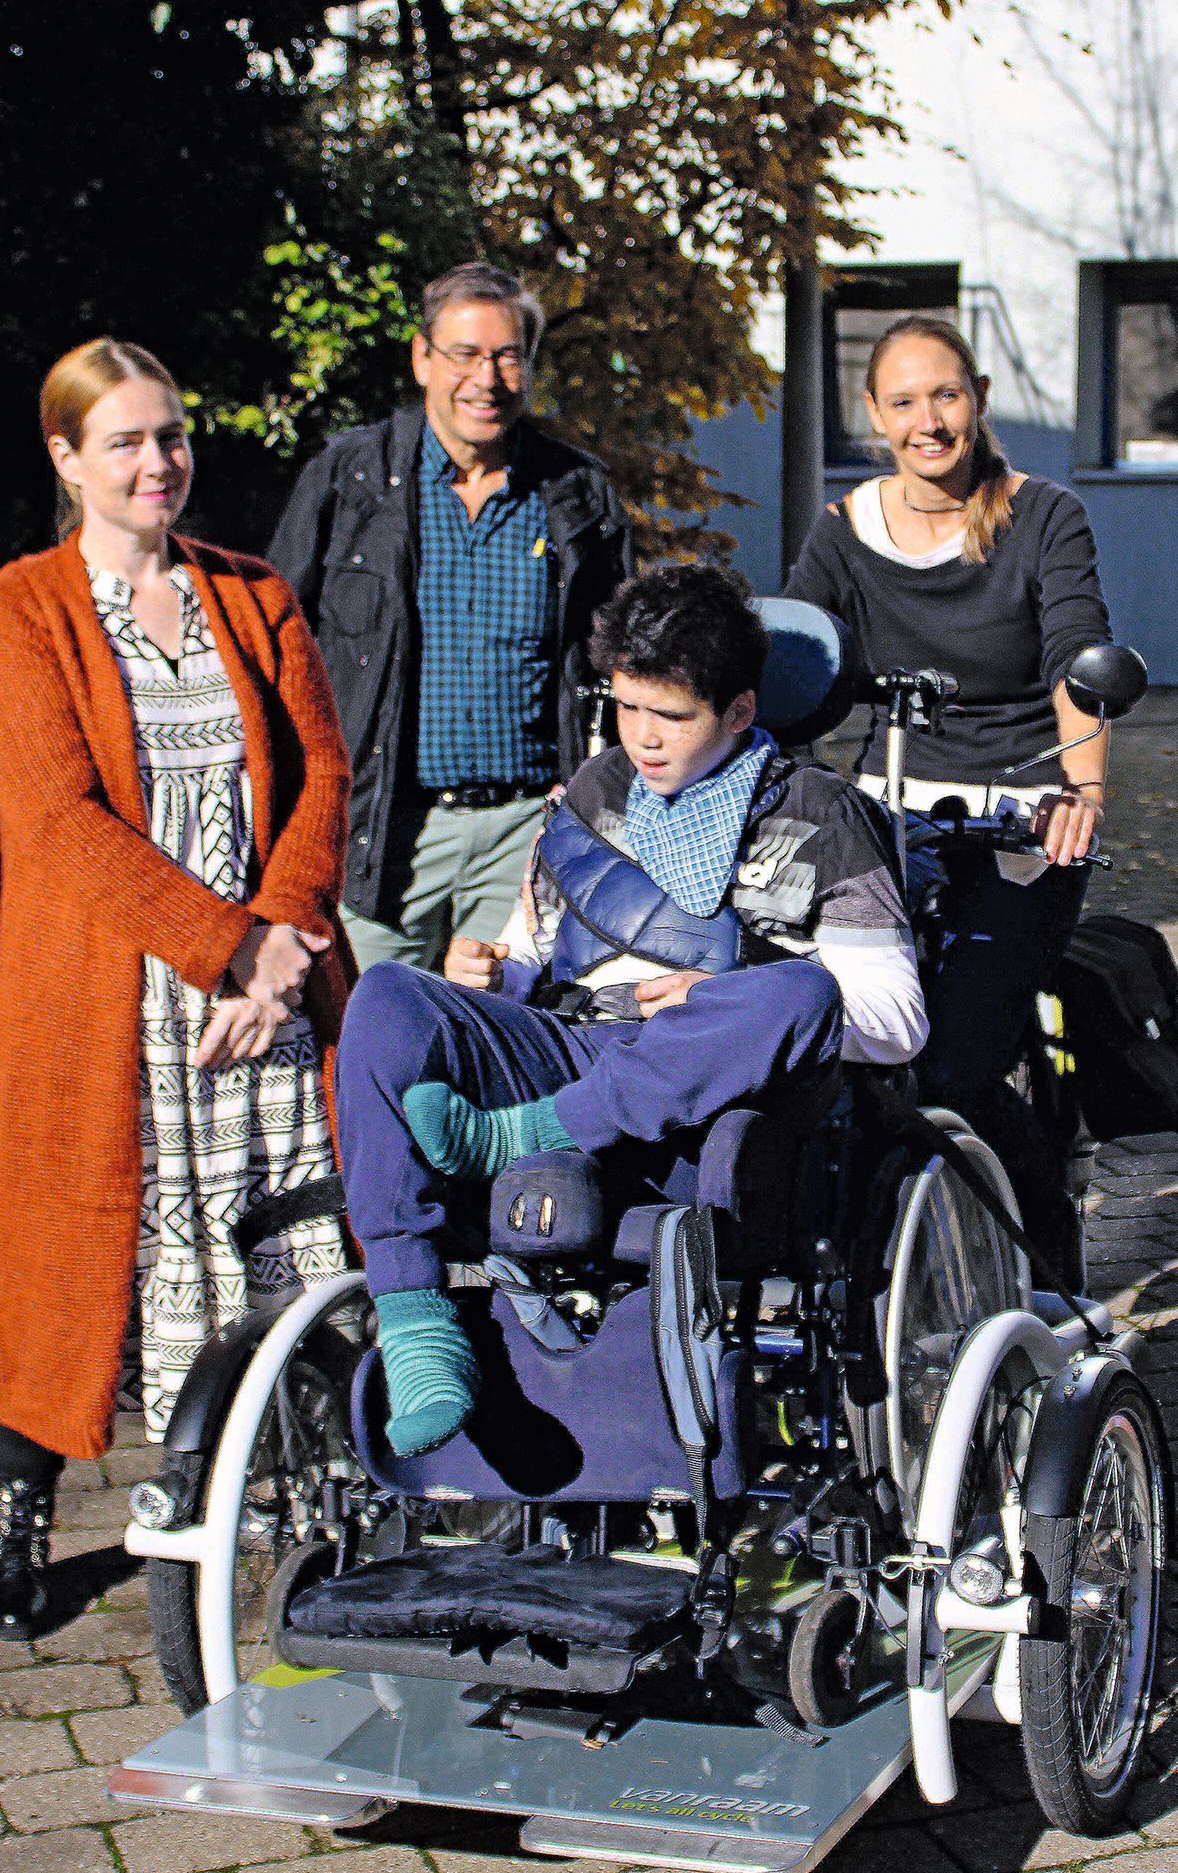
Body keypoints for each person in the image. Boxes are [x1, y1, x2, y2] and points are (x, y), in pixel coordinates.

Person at [335, 561, 924, 1454]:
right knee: (386, 997)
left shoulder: (824, 814)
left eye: (672, 717)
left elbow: (897, 1016)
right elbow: (533, 947)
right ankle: (416, 1317)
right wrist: (491, 972)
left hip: (709, 1100)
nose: (642, 740)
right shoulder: (594, 791)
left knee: (801, 990)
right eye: (627, 708)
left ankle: (523, 1137)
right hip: (575, 1044)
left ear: (738, 712)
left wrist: (725, 986)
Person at [0, 338, 359, 1639]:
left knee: (298, 1238)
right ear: (67, 458)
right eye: (125, 440)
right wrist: (223, 948)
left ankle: (324, 1495)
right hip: (109, 996)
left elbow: (319, 778)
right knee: (70, 1264)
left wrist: (285, 938)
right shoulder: (19, 611)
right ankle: (22, 1513)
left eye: (172, 435)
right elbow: (60, 823)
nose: (157, 462)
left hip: (273, 989)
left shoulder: (252, 594)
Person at [781, 314, 1112, 1276]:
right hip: (886, 816)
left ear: (978, 402)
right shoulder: (843, 532)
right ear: (876, 417)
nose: (929, 420)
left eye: (946, 395)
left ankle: (1052, 1270)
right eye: (904, 401)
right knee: (853, 1052)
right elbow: (802, 666)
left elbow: (1074, 653)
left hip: (1019, 820)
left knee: (956, 1071)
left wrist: (1081, 789)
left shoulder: (1042, 514)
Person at [268, 260, 632, 971]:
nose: (487, 379)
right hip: (385, 828)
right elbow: (275, 642)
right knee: (371, 1036)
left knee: (495, 1038)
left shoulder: (576, 492)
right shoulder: (351, 479)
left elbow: (618, 664)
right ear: (423, 358)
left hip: (523, 828)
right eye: (466, 354)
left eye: (507, 356)